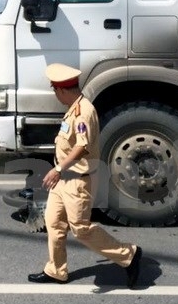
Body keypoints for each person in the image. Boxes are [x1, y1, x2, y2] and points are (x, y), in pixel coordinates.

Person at [27, 63, 142, 288]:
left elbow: (82, 146)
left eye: (54, 90)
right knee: (54, 223)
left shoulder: (83, 111)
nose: (55, 95)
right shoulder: (74, 108)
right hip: (63, 180)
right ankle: (56, 270)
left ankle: (128, 255)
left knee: (80, 228)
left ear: (61, 90)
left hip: (76, 180)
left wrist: (58, 169)